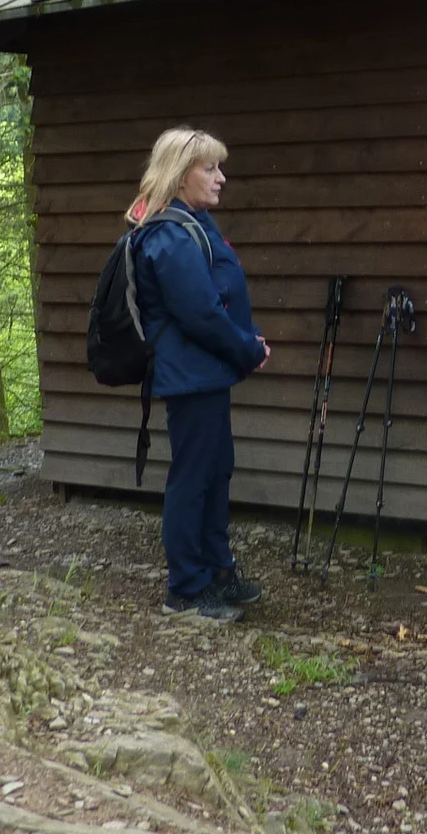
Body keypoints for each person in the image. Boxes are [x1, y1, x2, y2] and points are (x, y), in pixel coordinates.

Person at [130, 127, 271, 622]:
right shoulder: (167, 236)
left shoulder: (195, 223)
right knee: (193, 478)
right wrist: (248, 350)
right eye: (209, 168)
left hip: (208, 373)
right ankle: (184, 590)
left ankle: (216, 571)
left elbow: (222, 296)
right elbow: (201, 314)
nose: (220, 178)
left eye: (219, 167)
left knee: (216, 470)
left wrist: (245, 344)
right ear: (179, 174)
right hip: (190, 376)